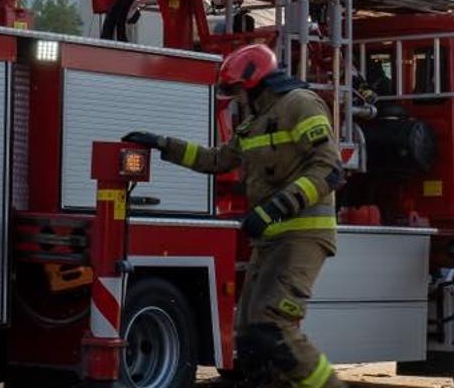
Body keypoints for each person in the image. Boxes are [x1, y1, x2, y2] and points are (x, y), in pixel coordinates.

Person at [125, 44, 345, 388]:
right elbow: (216, 160)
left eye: (238, 91)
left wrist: (275, 208)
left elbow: (329, 168)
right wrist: (163, 144)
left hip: (303, 234)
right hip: (271, 237)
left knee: (272, 326)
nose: (237, 99)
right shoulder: (254, 124)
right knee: (249, 337)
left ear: (256, 82)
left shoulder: (300, 104)